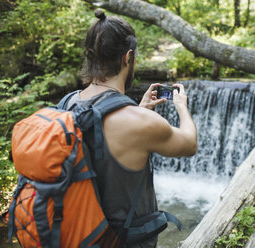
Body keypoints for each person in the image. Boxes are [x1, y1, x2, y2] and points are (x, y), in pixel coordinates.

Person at [65, 9, 197, 247]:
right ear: (127, 58)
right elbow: (189, 144)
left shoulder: (68, 103)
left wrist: (139, 110)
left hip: (77, 235)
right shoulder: (139, 123)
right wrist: (182, 107)